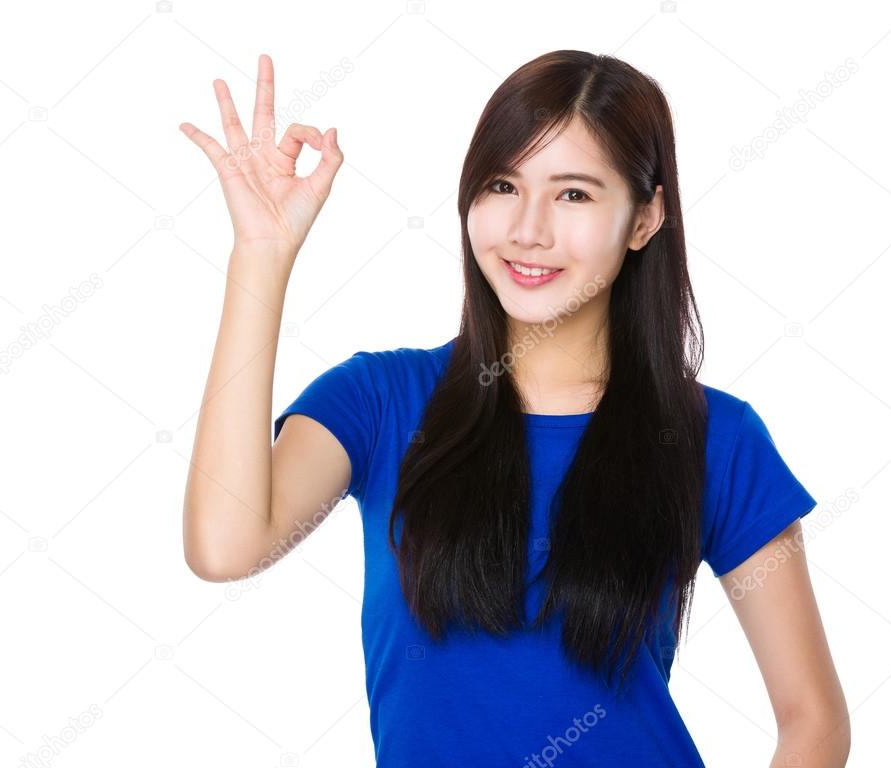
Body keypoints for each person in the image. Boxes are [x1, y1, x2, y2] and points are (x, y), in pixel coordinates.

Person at [181, 50, 850, 767]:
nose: (528, 229)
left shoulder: (715, 438)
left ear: (645, 218)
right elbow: (226, 547)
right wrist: (260, 255)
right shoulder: (381, 401)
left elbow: (812, 718)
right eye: (504, 184)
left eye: (574, 195)